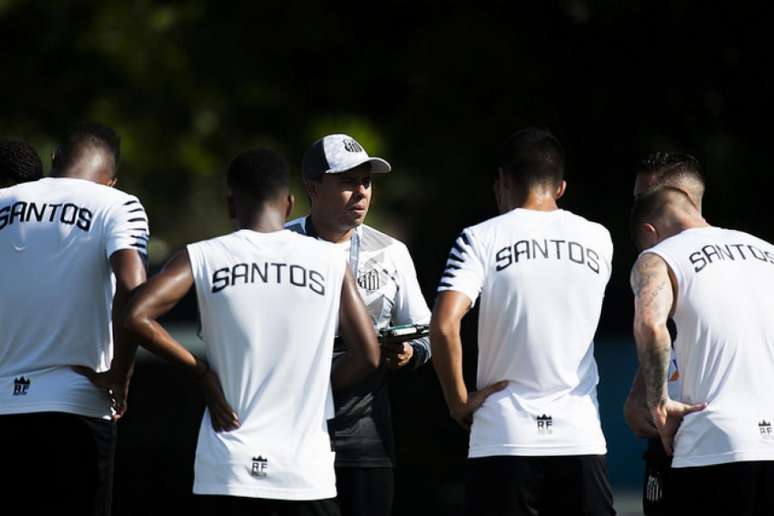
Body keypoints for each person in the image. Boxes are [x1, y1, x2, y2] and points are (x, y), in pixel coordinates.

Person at [123, 148, 382, 516]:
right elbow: (369, 355)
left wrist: (200, 372)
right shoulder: (329, 261)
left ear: (231, 203)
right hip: (303, 472)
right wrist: (315, 385)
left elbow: (135, 314)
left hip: (228, 468)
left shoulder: (204, 255)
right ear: (290, 204)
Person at [431, 127, 615, 516]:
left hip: (503, 437)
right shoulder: (599, 238)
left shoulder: (478, 239)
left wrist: (458, 400)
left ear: (503, 181)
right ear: (561, 187)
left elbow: (445, 324)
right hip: (578, 435)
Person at [0, 123, 149, 515]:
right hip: (77, 409)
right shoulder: (118, 206)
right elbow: (136, 291)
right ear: (111, 181)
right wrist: (121, 373)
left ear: (53, 160)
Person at [286, 134, 432, 516]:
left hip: (366, 438)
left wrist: (408, 354)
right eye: (348, 182)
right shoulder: (277, 245)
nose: (362, 193)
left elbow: (426, 333)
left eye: (366, 182)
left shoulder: (391, 251)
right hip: (289, 434)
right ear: (312, 188)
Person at [630, 186, 774, 514]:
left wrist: (658, 403)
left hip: (714, 445)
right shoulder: (767, 251)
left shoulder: (658, 257)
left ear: (649, 232)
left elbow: (651, 325)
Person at [624, 152, 706, 515]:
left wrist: (656, 402)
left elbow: (652, 326)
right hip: (669, 442)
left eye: (644, 200)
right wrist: (639, 394)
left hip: (700, 441)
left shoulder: (664, 261)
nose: (638, 209)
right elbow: (665, 337)